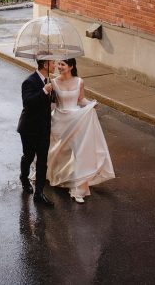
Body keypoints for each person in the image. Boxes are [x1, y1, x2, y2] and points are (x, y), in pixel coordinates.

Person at [47, 58, 115, 203]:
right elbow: (50, 101)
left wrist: (91, 104)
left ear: (71, 67)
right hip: (60, 120)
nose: (59, 67)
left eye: (63, 64)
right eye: (58, 64)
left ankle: (77, 188)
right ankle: (55, 175)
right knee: (59, 152)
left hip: (77, 120)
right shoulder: (52, 82)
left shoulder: (79, 81)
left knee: (78, 153)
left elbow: (81, 100)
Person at [17, 57, 55, 206]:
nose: (55, 65)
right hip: (29, 128)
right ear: (45, 64)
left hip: (44, 128)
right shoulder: (29, 81)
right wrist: (44, 91)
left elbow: (49, 104)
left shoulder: (49, 80)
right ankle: (24, 178)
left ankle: (39, 193)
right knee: (28, 156)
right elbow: (28, 103)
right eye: (52, 63)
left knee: (43, 160)